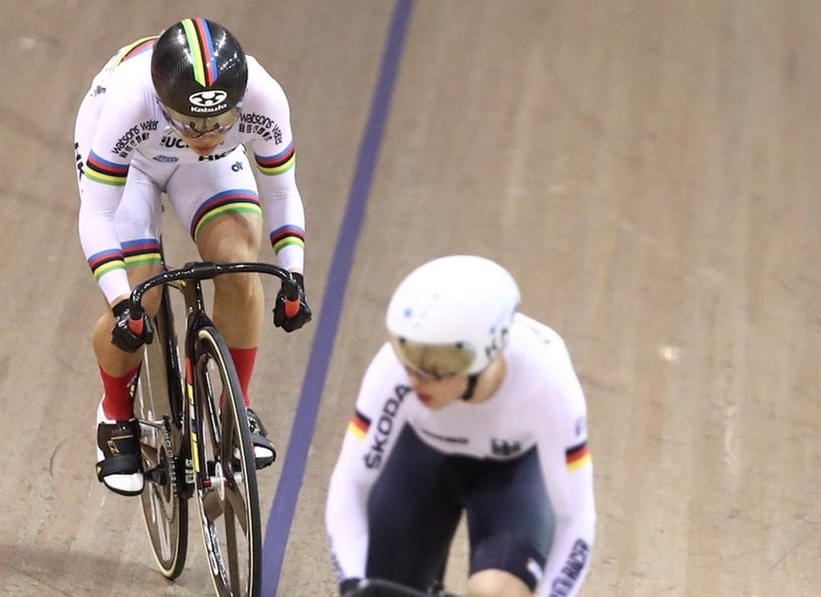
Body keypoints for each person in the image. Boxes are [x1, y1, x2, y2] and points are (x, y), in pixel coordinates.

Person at [74, 17, 312, 496]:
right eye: (191, 122)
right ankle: (115, 415)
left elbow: (282, 192)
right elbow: (97, 213)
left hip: (208, 168)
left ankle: (236, 409)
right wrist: (122, 302)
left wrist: (293, 275)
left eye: (219, 123)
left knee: (239, 266)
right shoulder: (130, 100)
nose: (204, 133)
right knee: (141, 294)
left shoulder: (264, 96)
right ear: (164, 103)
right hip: (133, 163)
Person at [325, 255, 596, 597]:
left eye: (437, 363)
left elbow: (576, 516)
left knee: (497, 592)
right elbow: (350, 483)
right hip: (419, 459)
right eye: (408, 352)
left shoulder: (546, 380)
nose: (416, 377)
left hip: (514, 475)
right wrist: (352, 580)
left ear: (487, 352)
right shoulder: (391, 372)